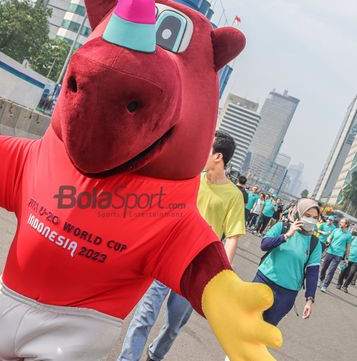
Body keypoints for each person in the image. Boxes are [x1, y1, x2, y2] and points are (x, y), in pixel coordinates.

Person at [116, 132, 245, 361]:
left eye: (206, 148)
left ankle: (155, 355)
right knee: (144, 316)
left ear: (218, 157)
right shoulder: (192, 177)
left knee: (174, 325)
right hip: (166, 256)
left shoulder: (234, 196)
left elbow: (232, 237)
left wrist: (220, 275)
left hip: (195, 268)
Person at [253, 198, 321, 325]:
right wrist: (286, 236)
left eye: (314, 217)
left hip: (286, 294)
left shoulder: (314, 243)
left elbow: (313, 273)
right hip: (264, 280)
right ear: (298, 213)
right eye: (307, 215)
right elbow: (264, 245)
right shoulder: (281, 227)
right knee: (246, 319)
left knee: (265, 331)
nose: (311, 220)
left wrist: (309, 300)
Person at [319, 218, 353, 293]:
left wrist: (347, 258)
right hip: (330, 251)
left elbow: (348, 247)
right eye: (340, 222)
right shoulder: (335, 230)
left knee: (331, 271)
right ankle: (321, 279)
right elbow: (329, 237)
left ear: (346, 224)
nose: (340, 223)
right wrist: (328, 241)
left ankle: (325, 286)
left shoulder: (348, 235)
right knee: (324, 268)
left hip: (338, 255)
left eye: (342, 222)